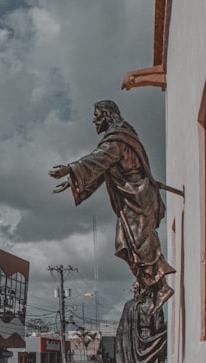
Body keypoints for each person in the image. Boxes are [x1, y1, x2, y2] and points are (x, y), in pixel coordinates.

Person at [50, 99, 175, 311]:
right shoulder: (119, 137)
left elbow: (99, 160)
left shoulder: (117, 139)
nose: (93, 120)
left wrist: (70, 169)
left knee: (142, 244)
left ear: (107, 115)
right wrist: (72, 180)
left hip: (138, 196)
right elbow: (102, 169)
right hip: (131, 198)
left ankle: (159, 286)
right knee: (125, 244)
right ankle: (148, 283)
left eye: (97, 115)